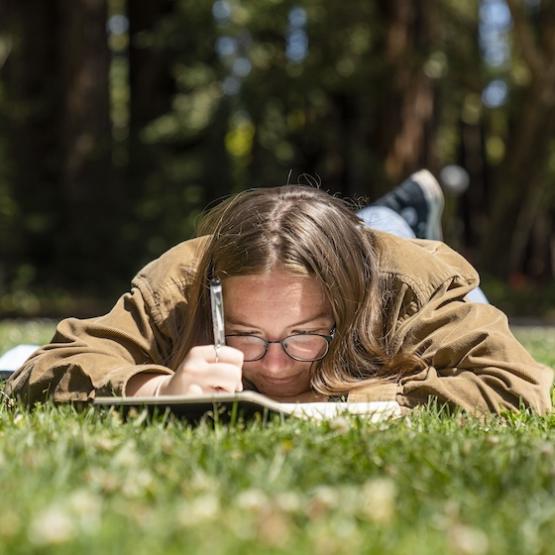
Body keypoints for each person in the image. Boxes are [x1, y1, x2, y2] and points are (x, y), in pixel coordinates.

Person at [5, 171, 553, 414]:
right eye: (245, 335)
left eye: (304, 336)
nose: (273, 367)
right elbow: (46, 368)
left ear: (344, 307)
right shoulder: (181, 284)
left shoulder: (409, 286)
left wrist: (348, 402)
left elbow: (518, 385)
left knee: (386, 227)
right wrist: (155, 389)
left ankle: (399, 212)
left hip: (394, 251)